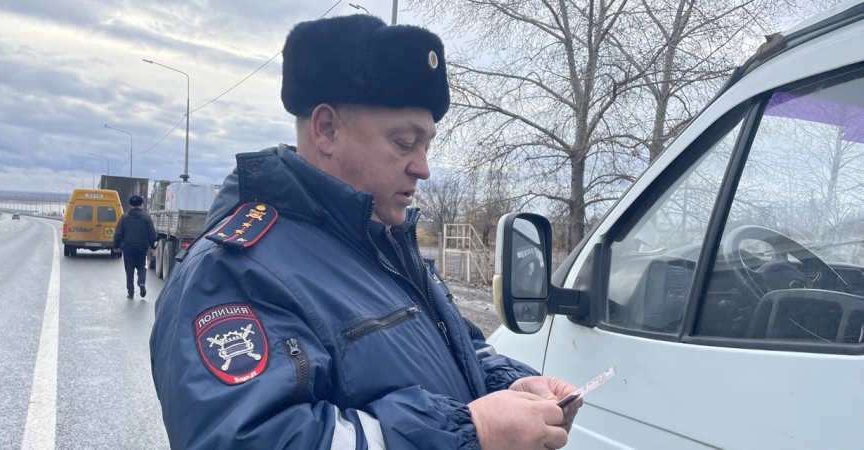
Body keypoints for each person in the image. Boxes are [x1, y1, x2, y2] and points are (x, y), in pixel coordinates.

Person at [150, 14, 581, 450]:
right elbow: (252, 438)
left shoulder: (384, 244)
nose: (423, 168)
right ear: (326, 130)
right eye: (404, 143)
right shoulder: (234, 272)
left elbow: (450, 349)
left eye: (427, 145)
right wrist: (473, 431)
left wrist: (510, 386)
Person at [113, 195, 156, 299]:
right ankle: (141, 283)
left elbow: (118, 233)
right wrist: (153, 246)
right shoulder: (146, 217)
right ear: (141, 204)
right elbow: (151, 233)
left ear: (130, 205)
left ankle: (130, 292)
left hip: (128, 247)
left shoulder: (124, 217)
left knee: (129, 269)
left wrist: (116, 246)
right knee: (141, 266)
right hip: (142, 247)